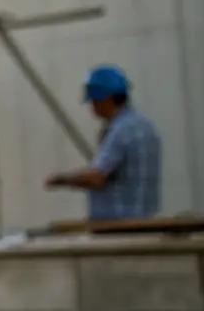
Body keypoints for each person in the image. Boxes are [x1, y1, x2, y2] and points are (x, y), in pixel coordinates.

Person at [45, 64, 162, 219]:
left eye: (93, 100)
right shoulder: (145, 126)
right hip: (146, 219)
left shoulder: (120, 130)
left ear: (105, 98)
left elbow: (96, 177)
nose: (91, 106)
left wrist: (62, 179)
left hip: (121, 226)